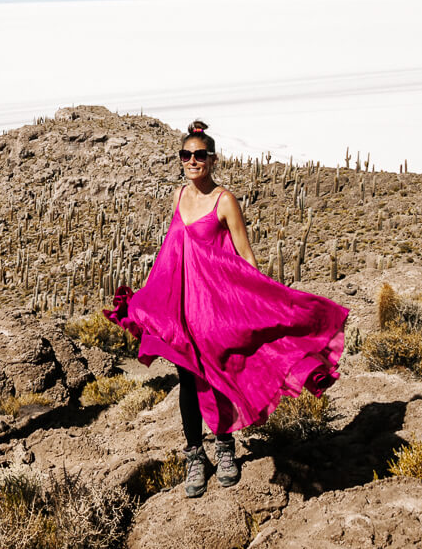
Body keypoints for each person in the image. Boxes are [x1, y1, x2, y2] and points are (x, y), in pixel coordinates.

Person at [105, 120, 348, 499]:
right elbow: (173, 250)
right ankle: (194, 455)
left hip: (215, 308)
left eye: (199, 155)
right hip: (181, 306)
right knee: (187, 380)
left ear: (212, 159)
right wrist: (154, 296)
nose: (191, 161)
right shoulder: (179, 196)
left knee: (217, 376)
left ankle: (225, 447)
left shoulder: (224, 201)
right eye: (185, 155)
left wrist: (260, 300)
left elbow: (245, 255)